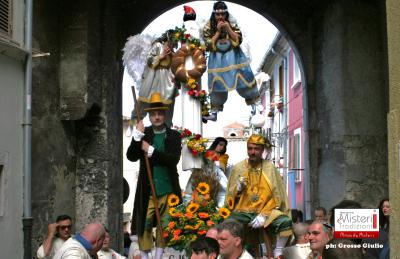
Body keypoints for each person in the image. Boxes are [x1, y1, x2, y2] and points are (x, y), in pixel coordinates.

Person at [127, 92, 182, 259]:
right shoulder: (145, 133)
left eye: (160, 113)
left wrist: (151, 151)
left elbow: (173, 160)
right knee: (145, 222)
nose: (157, 117)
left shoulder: (174, 135)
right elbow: (131, 156)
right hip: (148, 188)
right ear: (149, 116)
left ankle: (158, 256)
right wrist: (136, 138)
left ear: (164, 115)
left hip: (168, 189)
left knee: (164, 225)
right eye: (153, 114)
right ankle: (144, 256)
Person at [225, 134, 292, 258]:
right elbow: (230, 197)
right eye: (250, 148)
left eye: (256, 149)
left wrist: (264, 214)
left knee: (285, 221)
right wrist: (238, 189)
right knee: (227, 224)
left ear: (262, 150)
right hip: (243, 211)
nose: (252, 152)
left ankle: (278, 251)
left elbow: (277, 196)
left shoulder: (269, 167)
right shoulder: (238, 167)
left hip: (266, 211)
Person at [202, 1, 259, 122]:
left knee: (245, 78)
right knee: (216, 83)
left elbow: (238, 40)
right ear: (214, 15)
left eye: (223, 14)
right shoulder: (208, 26)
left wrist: (228, 28)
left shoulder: (232, 23)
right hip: (217, 60)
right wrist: (217, 32)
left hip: (235, 57)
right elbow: (208, 44)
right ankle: (215, 112)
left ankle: (255, 107)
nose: (220, 17)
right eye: (218, 15)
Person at [132, 29, 178, 127]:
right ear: (168, 38)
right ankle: (137, 119)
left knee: (167, 103)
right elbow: (149, 59)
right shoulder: (158, 46)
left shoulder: (173, 53)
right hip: (155, 78)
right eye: (173, 40)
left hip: (167, 81)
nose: (173, 43)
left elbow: (175, 67)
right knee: (147, 98)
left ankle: (166, 124)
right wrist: (160, 57)